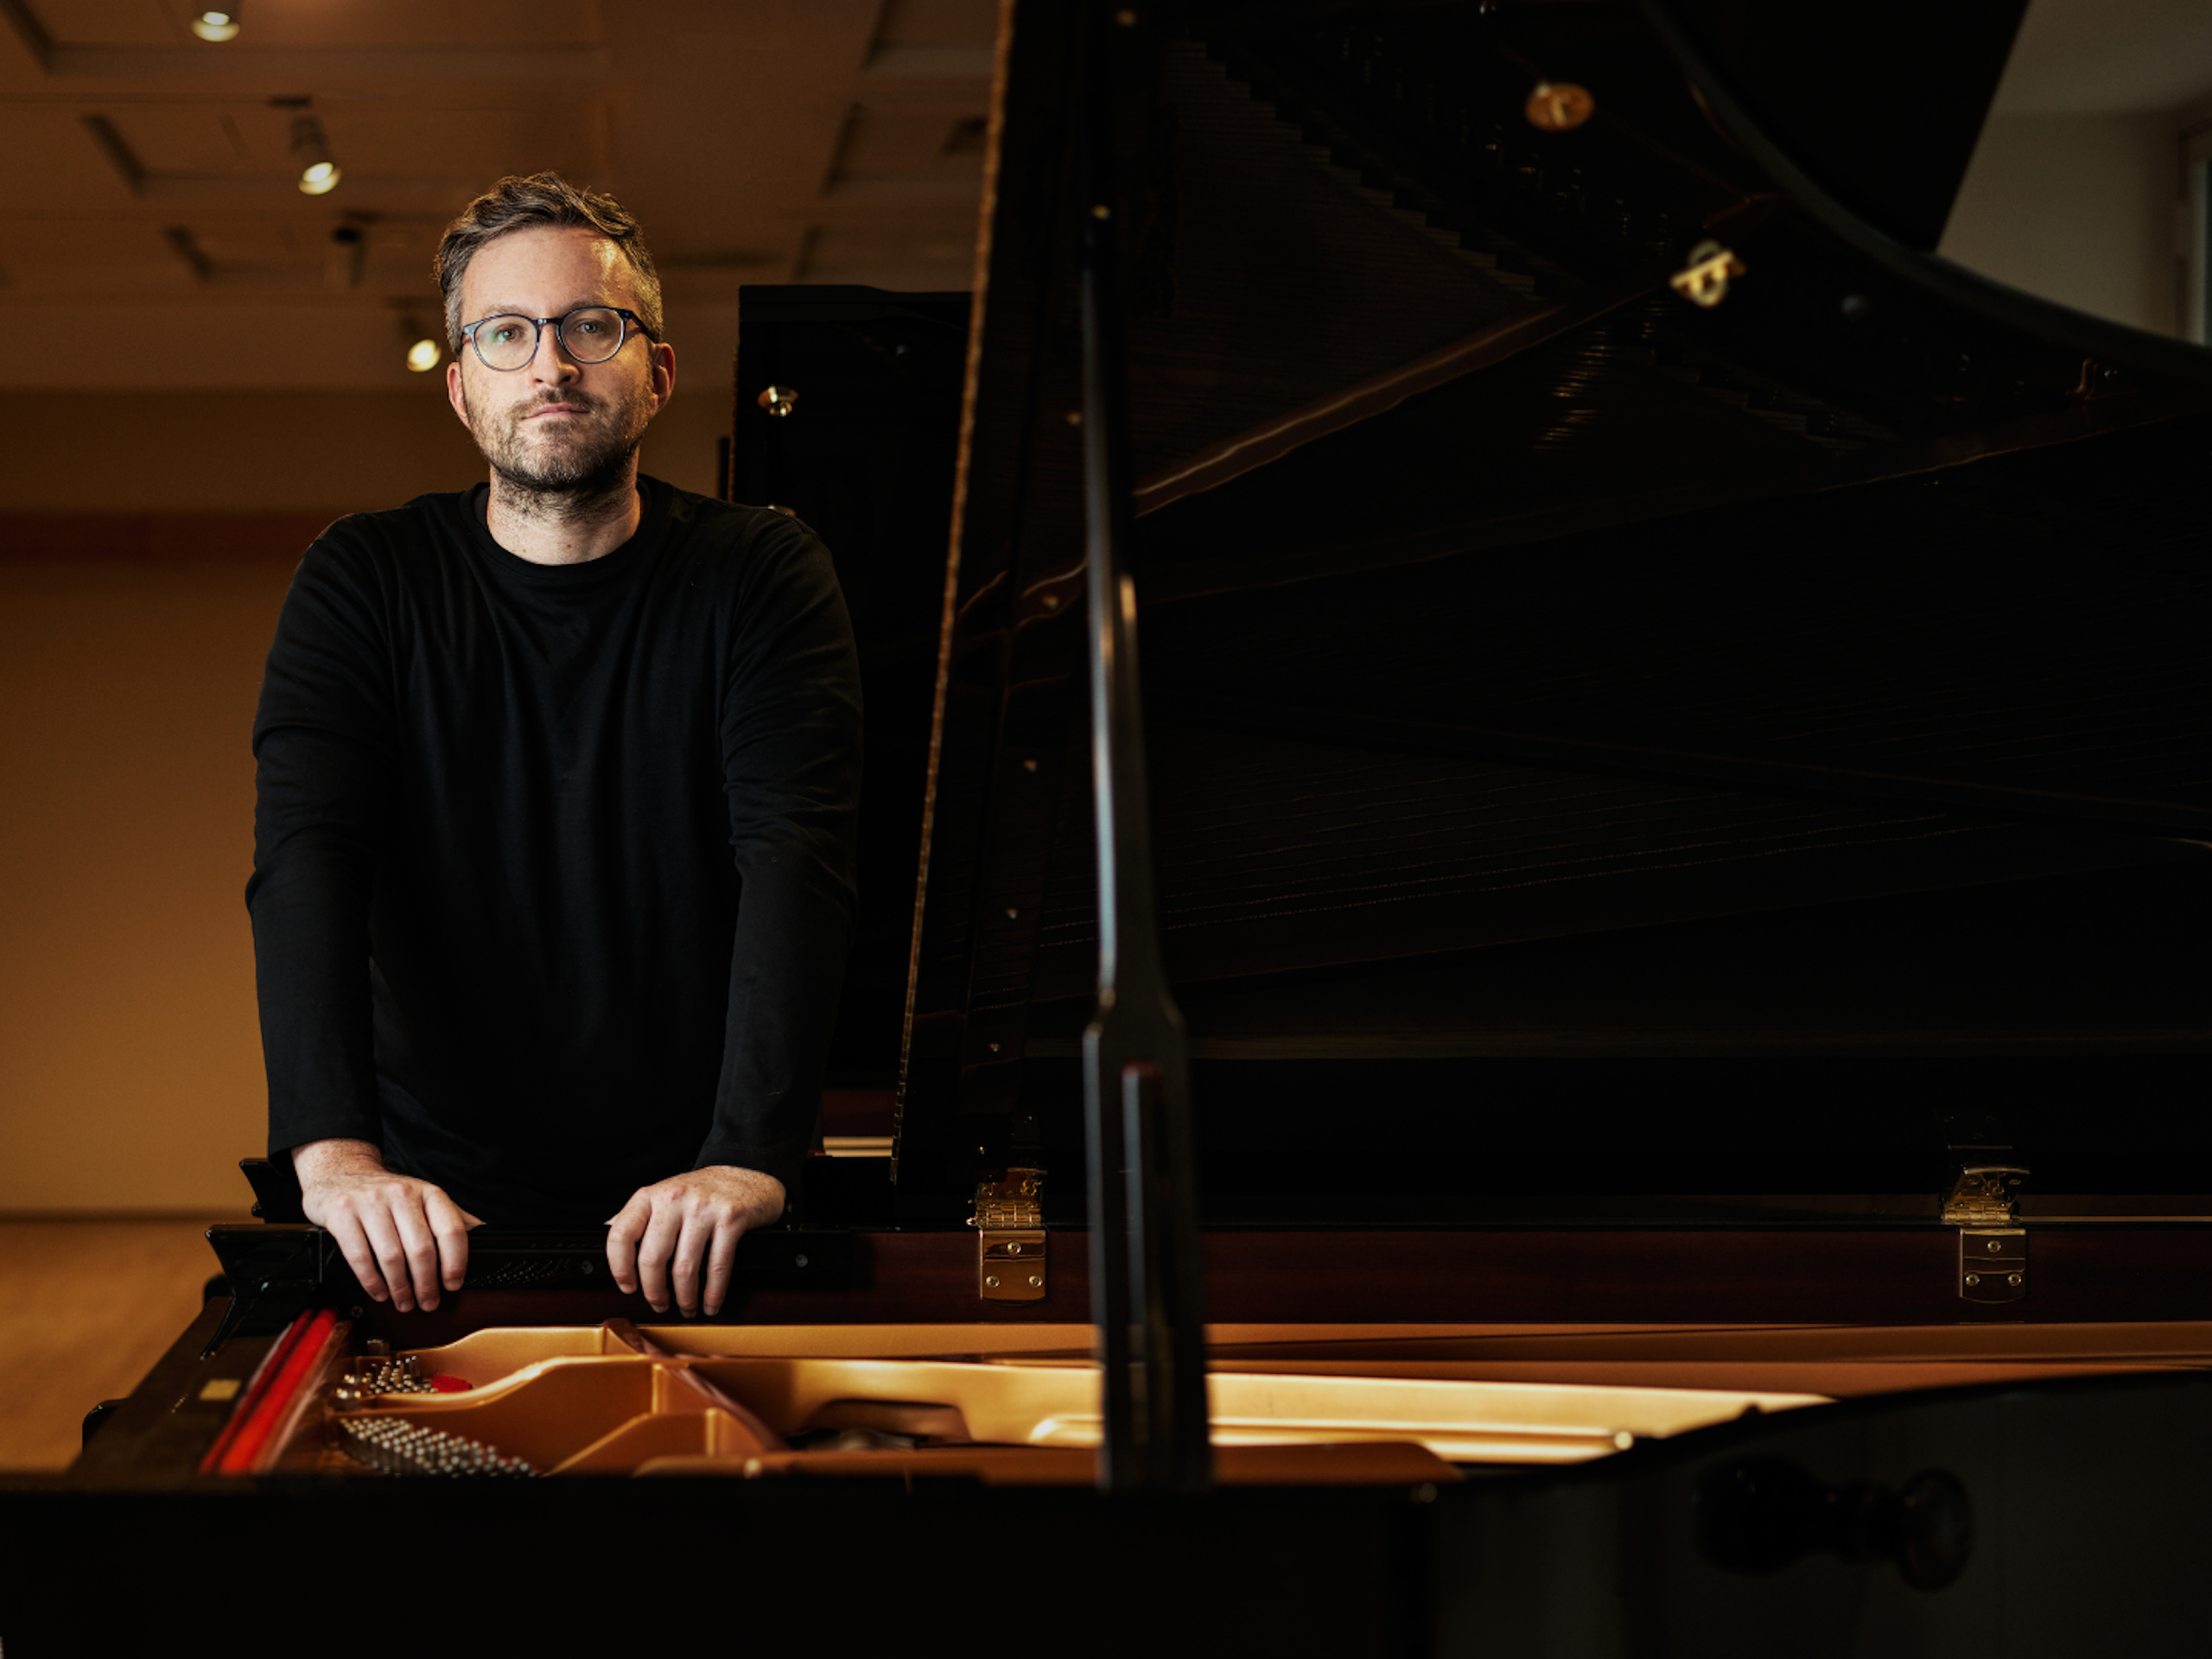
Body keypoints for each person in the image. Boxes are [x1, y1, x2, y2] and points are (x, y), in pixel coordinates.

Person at [247, 173, 860, 1322]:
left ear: (657, 371)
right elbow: (307, 860)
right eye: (508, 333)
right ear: (462, 387)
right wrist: (333, 1159)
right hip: (426, 1206)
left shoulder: (761, 574)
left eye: (592, 326)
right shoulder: (363, 580)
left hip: (696, 1199)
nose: (552, 365)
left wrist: (749, 1156)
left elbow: (797, 858)